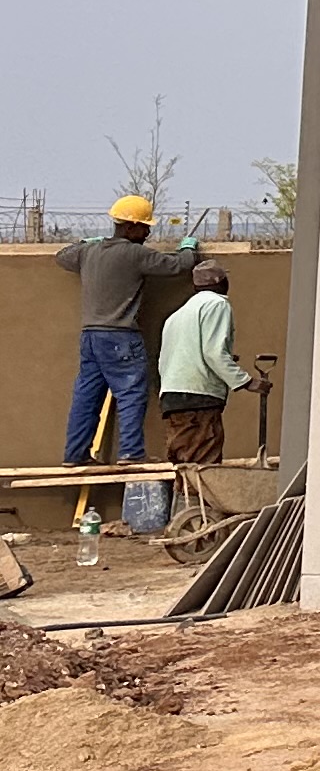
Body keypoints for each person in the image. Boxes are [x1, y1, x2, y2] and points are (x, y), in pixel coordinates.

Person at [56, 194, 198, 533]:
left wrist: (85, 242)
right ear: (131, 226)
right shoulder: (136, 255)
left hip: (91, 336)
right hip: (120, 336)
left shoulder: (90, 252)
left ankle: (75, 454)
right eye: (145, 228)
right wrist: (189, 248)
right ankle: (131, 452)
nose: (148, 233)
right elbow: (178, 266)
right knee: (132, 393)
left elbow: (62, 256)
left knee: (86, 396)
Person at [155, 258, 252, 463]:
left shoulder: (177, 315)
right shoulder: (217, 304)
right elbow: (213, 353)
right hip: (199, 396)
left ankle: (185, 487)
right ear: (221, 282)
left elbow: (169, 358)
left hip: (173, 396)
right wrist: (246, 381)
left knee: (184, 462)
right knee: (204, 465)